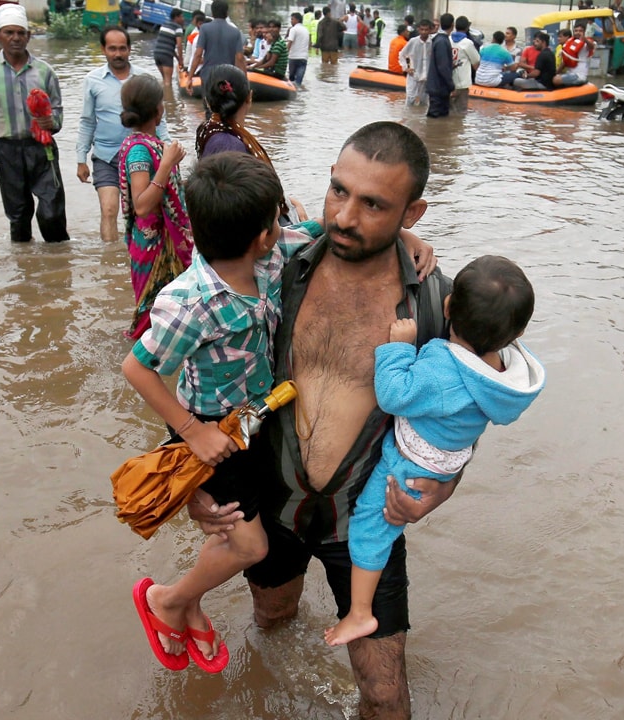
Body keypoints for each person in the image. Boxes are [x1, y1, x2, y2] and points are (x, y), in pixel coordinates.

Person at [186, 121, 452, 719]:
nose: (345, 217)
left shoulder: (434, 305)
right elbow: (202, 370)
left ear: (414, 212)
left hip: (362, 523)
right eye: (338, 191)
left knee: (385, 696)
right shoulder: (277, 269)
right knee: (272, 622)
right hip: (273, 503)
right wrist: (196, 485)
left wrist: (440, 489)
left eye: (373, 204)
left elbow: (463, 415)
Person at [123, 152, 314, 674]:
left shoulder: (271, 259)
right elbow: (137, 369)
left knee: (232, 529)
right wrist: (190, 434)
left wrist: (406, 238)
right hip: (208, 426)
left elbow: (322, 229)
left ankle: (189, 602)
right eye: (277, 219)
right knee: (249, 544)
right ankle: (167, 599)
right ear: (263, 234)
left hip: (251, 419)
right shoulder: (188, 301)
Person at [324, 255, 545, 647]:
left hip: (408, 463)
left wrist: (400, 349)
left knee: (369, 528)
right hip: (444, 465)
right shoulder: (500, 376)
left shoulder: (444, 370)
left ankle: (359, 614)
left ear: (446, 307)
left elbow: (393, 395)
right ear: (517, 332)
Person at [0, 4, 68, 244]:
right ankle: (25, 269)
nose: (16, 38)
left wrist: (51, 121)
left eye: (21, 33)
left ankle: (59, 267)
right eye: (9, 32)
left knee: (52, 213)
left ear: (29, 36)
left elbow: (59, 114)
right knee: (18, 216)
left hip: (43, 150)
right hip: (7, 150)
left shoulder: (45, 71)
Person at [76, 26, 172, 246]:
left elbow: (160, 118)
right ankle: (111, 262)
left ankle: (139, 256)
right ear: (103, 49)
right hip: (107, 157)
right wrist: (81, 158)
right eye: (112, 49)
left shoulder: (144, 80)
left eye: (122, 48)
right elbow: (87, 121)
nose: (117, 54)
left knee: (145, 213)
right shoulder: (93, 80)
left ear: (130, 49)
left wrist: (166, 147)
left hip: (142, 156)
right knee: (109, 209)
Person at [115, 74, 193, 339]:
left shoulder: (144, 144)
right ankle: (140, 360)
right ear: (158, 110)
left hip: (160, 241)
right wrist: (167, 165)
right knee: (152, 314)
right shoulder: (139, 150)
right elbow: (142, 205)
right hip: (154, 244)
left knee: (168, 312)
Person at [194, 65, 307, 224]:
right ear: (250, 97)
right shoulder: (230, 145)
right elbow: (238, 211)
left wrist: (290, 202)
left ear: (207, 100)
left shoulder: (209, 129)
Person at [187, 0, 245, 96]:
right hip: (228, 75)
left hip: (209, 75)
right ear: (227, 13)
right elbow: (240, 58)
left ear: (212, 13)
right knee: (226, 105)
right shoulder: (235, 32)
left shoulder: (205, 29)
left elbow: (198, 55)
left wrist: (190, 78)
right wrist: (245, 81)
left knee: (209, 106)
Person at [426, 12, 455, 117]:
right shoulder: (442, 41)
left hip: (436, 86)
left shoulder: (439, 40)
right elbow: (442, 66)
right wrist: (451, 85)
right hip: (439, 88)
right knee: (436, 117)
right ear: (452, 25)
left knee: (437, 118)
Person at [450, 16, 480, 113]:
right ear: (467, 27)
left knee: (449, 110)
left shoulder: (448, 39)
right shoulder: (468, 43)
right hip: (462, 83)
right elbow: (476, 62)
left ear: (454, 26)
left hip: (448, 81)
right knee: (461, 113)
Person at [400, 19, 431, 105]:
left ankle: (422, 118)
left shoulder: (432, 42)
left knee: (424, 102)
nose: (424, 32)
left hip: (426, 78)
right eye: (422, 29)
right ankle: (409, 117)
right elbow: (403, 54)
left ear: (430, 30)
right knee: (410, 99)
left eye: (426, 30)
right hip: (414, 76)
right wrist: (407, 67)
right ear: (418, 29)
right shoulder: (413, 41)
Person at [154, 7, 186, 87]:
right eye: (181, 17)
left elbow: (168, 45)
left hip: (156, 54)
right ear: (176, 17)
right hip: (166, 56)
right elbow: (179, 45)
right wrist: (181, 60)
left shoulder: (164, 24)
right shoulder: (178, 28)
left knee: (164, 79)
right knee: (168, 83)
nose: (183, 19)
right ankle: (168, 99)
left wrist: (178, 58)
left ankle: (162, 97)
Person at [286, 12, 310, 88]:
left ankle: (291, 96)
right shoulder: (306, 30)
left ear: (297, 20)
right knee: (298, 82)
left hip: (293, 57)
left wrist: (284, 54)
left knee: (291, 80)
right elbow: (308, 45)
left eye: (292, 19)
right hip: (303, 58)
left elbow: (290, 43)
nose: (291, 21)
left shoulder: (293, 29)